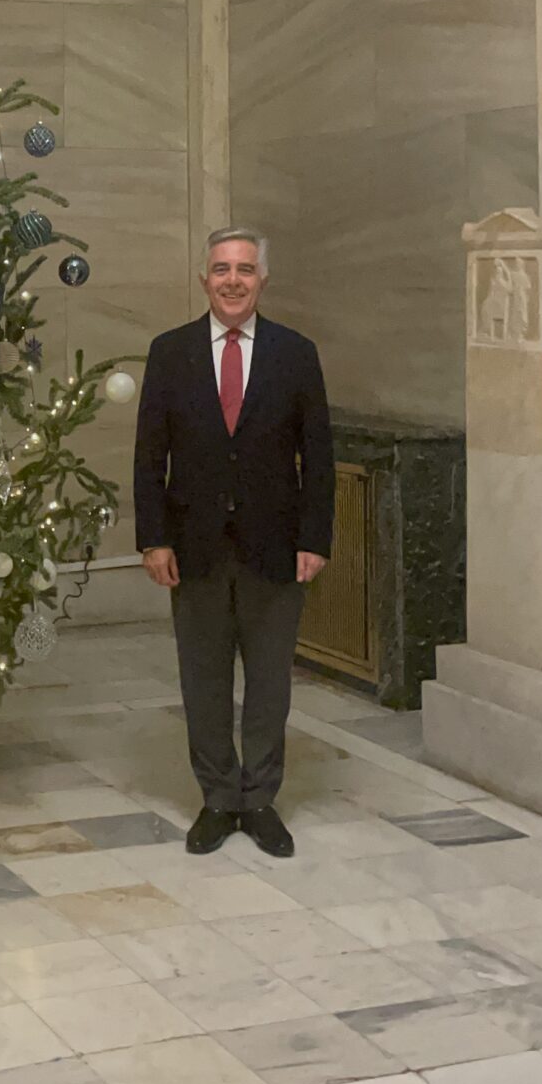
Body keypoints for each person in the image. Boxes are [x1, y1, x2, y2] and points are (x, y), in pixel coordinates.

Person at [134, 228, 334, 858]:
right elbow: (148, 456)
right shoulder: (170, 353)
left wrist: (315, 538)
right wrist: (152, 539)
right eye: (221, 268)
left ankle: (261, 799)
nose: (233, 280)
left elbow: (319, 456)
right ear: (203, 279)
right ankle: (219, 797)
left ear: (262, 279)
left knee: (270, 683)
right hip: (192, 547)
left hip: (275, 547)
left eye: (245, 269)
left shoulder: (296, 353)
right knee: (204, 678)